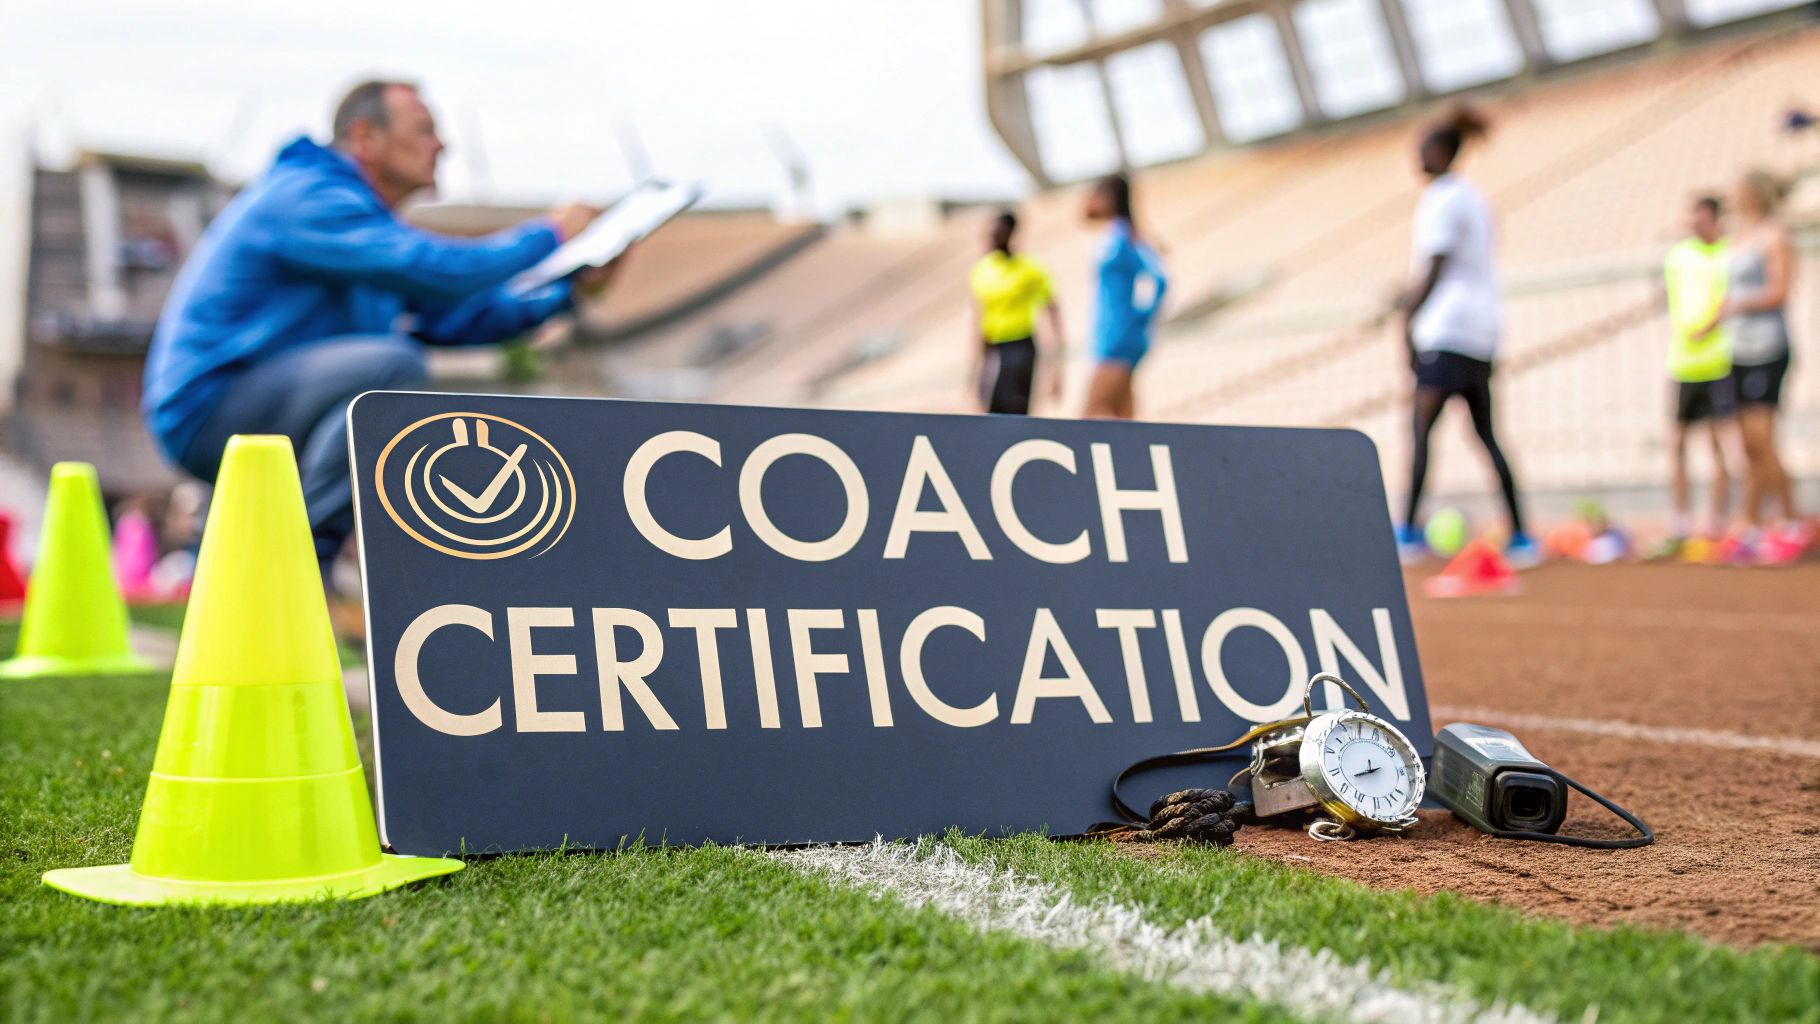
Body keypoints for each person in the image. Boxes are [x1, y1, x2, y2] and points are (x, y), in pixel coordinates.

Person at [143, 80, 620, 585]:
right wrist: (549, 234)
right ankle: (301, 568)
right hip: (208, 408)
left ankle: (265, 561)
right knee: (393, 368)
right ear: (365, 138)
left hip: (274, 400)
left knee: (390, 367)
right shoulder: (308, 197)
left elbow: (456, 318)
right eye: (424, 130)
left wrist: (568, 292)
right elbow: (441, 270)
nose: (442, 146)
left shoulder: (364, 231)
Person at [1393, 105, 1535, 566]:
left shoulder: (1441, 199)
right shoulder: (1475, 200)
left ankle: (1407, 531)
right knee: (1487, 435)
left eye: (1421, 149)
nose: (1416, 157)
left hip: (1446, 331)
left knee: (1421, 432)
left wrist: (1406, 322)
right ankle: (1521, 535)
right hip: (1481, 331)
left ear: (1440, 152)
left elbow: (1435, 267)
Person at [1705, 169, 1806, 563]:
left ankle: (1787, 520)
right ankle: (1755, 522)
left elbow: (1779, 290)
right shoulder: (1737, 237)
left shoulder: (1774, 236)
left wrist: (1736, 305)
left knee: (1763, 439)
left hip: (1767, 347)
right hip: (1738, 350)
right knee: (1748, 444)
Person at [1659, 195, 1736, 555]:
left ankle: (1716, 518)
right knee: (1677, 443)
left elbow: (1729, 298)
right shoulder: (1678, 255)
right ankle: (1681, 518)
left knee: (1717, 443)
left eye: (1703, 219)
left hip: (1717, 363)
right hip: (1682, 364)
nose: (1696, 224)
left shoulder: (1729, 254)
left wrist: (1709, 326)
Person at [1081, 174, 1166, 419]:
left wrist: (1138, 319)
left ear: (1110, 198)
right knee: (1123, 422)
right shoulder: (1113, 235)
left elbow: (1159, 280)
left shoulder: (1124, 237)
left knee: (1087, 419)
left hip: (1118, 339)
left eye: (1095, 194)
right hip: (1110, 335)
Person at [969, 210, 1063, 414]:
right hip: (994, 347)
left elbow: (1052, 311)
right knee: (988, 411)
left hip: (1020, 347)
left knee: (1016, 411)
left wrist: (1056, 368)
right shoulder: (983, 269)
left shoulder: (1029, 269)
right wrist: (975, 367)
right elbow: (979, 317)